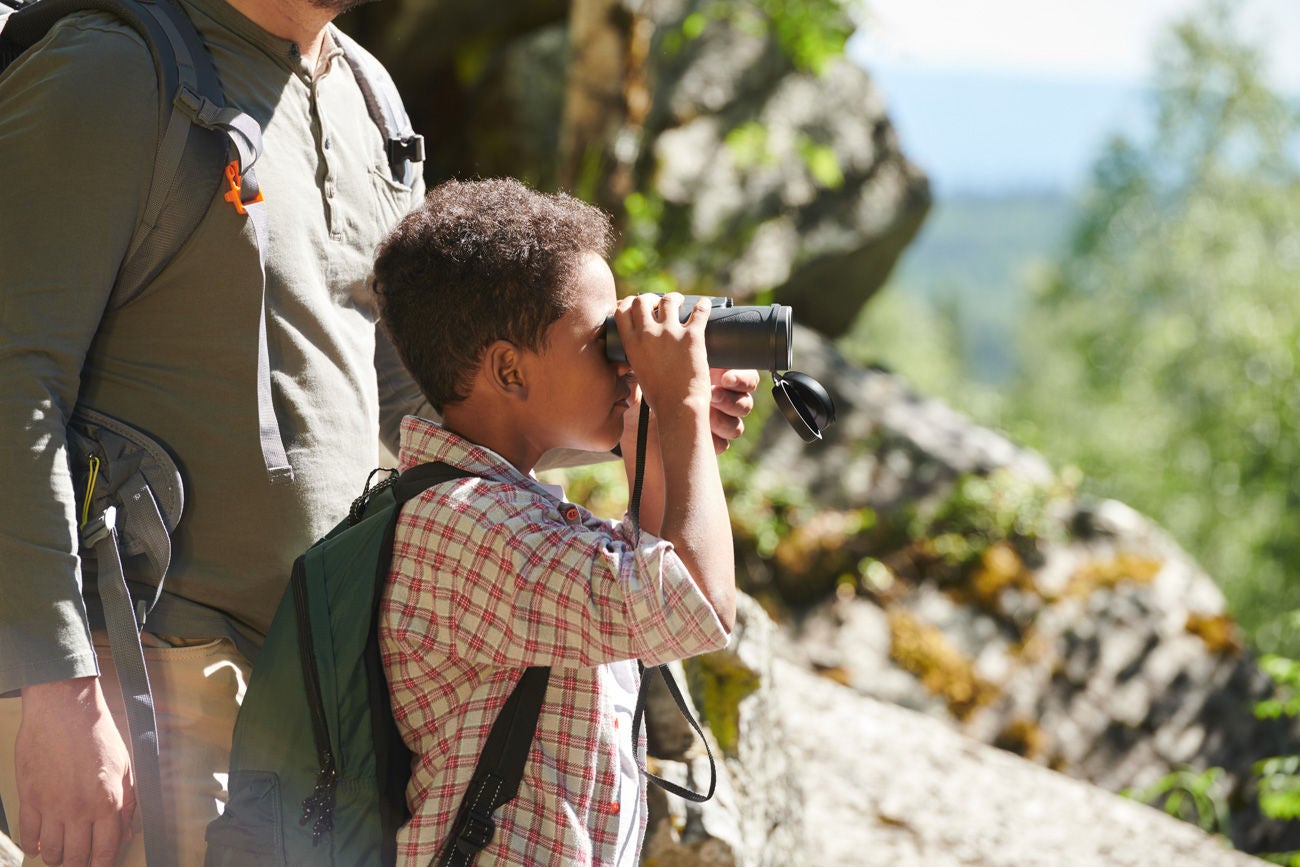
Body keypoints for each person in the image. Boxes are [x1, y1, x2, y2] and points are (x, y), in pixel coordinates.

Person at [0, 5, 759, 867]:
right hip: (152, 669)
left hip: (335, 686)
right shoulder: (113, 72)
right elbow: (13, 382)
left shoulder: (367, 95)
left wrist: (645, 412)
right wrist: (53, 687)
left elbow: (439, 402)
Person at [373, 177, 737, 866]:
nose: (624, 361)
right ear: (509, 369)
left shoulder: (506, 508)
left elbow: (642, 582)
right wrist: (681, 405)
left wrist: (654, 428)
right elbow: (692, 605)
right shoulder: (466, 527)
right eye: (604, 341)